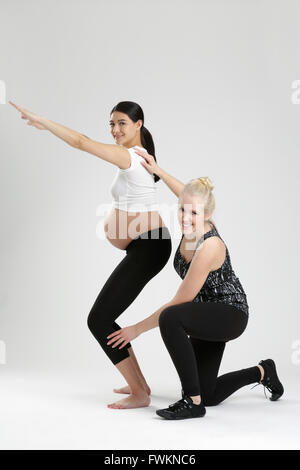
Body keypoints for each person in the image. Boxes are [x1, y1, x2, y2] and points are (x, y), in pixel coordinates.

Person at [9, 100, 172, 409]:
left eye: (122, 123)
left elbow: (81, 143)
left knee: (98, 320)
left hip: (150, 247)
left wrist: (45, 121)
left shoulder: (129, 156)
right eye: (112, 124)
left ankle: (140, 394)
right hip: (147, 246)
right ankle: (140, 383)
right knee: (105, 317)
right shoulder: (140, 156)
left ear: (139, 124)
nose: (115, 129)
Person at [107, 149, 284, 419]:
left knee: (171, 317)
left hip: (229, 313)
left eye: (194, 213)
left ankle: (192, 402)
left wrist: (136, 329)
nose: (185, 217)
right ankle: (263, 371)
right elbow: (188, 194)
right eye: (181, 209)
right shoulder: (192, 217)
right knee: (210, 393)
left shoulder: (209, 246)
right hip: (206, 312)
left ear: (208, 214)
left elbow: (181, 301)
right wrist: (159, 171)